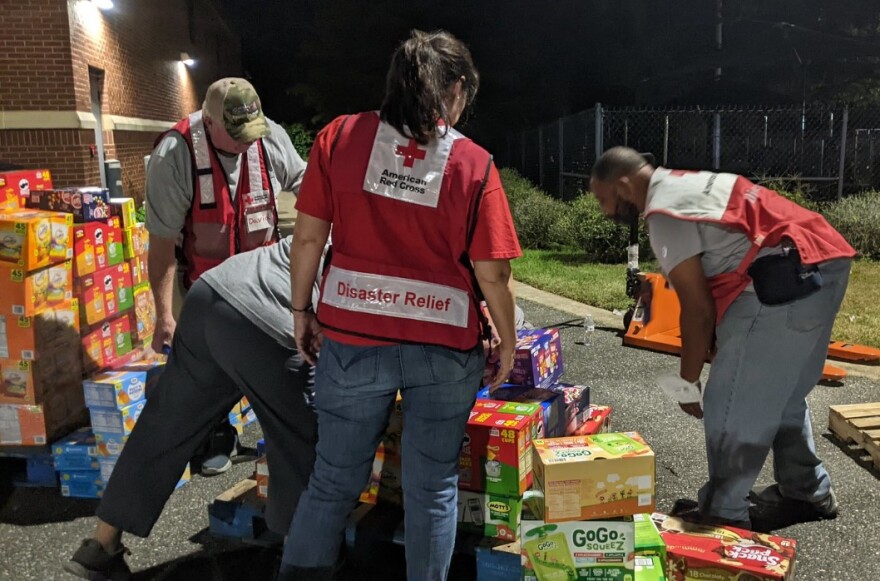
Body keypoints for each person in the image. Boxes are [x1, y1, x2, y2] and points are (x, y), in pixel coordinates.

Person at [281, 29, 521, 580]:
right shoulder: (474, 164)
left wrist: (301, 312)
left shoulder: (339, 138)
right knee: (432, 487)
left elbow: (310, 239)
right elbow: (493, 272)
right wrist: (508, 341)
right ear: (456, 89)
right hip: (444, 348)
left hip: (352, 336)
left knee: (334, 477)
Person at [590, 146, 856, 531]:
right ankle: (806, 490)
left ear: (626, 184)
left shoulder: (664, 212)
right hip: (823, 263)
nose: (605, 211)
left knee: (730, 403)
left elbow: (695, 307)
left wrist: (688, 381)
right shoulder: (692, 183)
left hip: (782, 281)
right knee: (779, 393)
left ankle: (723, 514)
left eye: (604, 199)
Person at [64, 236, 319, 581]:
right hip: (265, 319)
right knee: (300, 437)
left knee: (165, 425)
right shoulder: (375, 249)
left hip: (212, 293)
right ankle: (299, 563)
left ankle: (99, 547)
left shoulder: (334, 216)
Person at [145, 77, 307, 475]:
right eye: (237, 135)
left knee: (275, 355)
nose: (247, 143)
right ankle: (216, 433)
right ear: (209, 122)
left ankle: (282, 434)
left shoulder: (268, 139)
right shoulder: (175, 154)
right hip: (201, 284)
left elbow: (308, 186)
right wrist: (164, 315)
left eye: (253, 131)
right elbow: (162, 246)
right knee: (205, 368)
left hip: (260, 279)